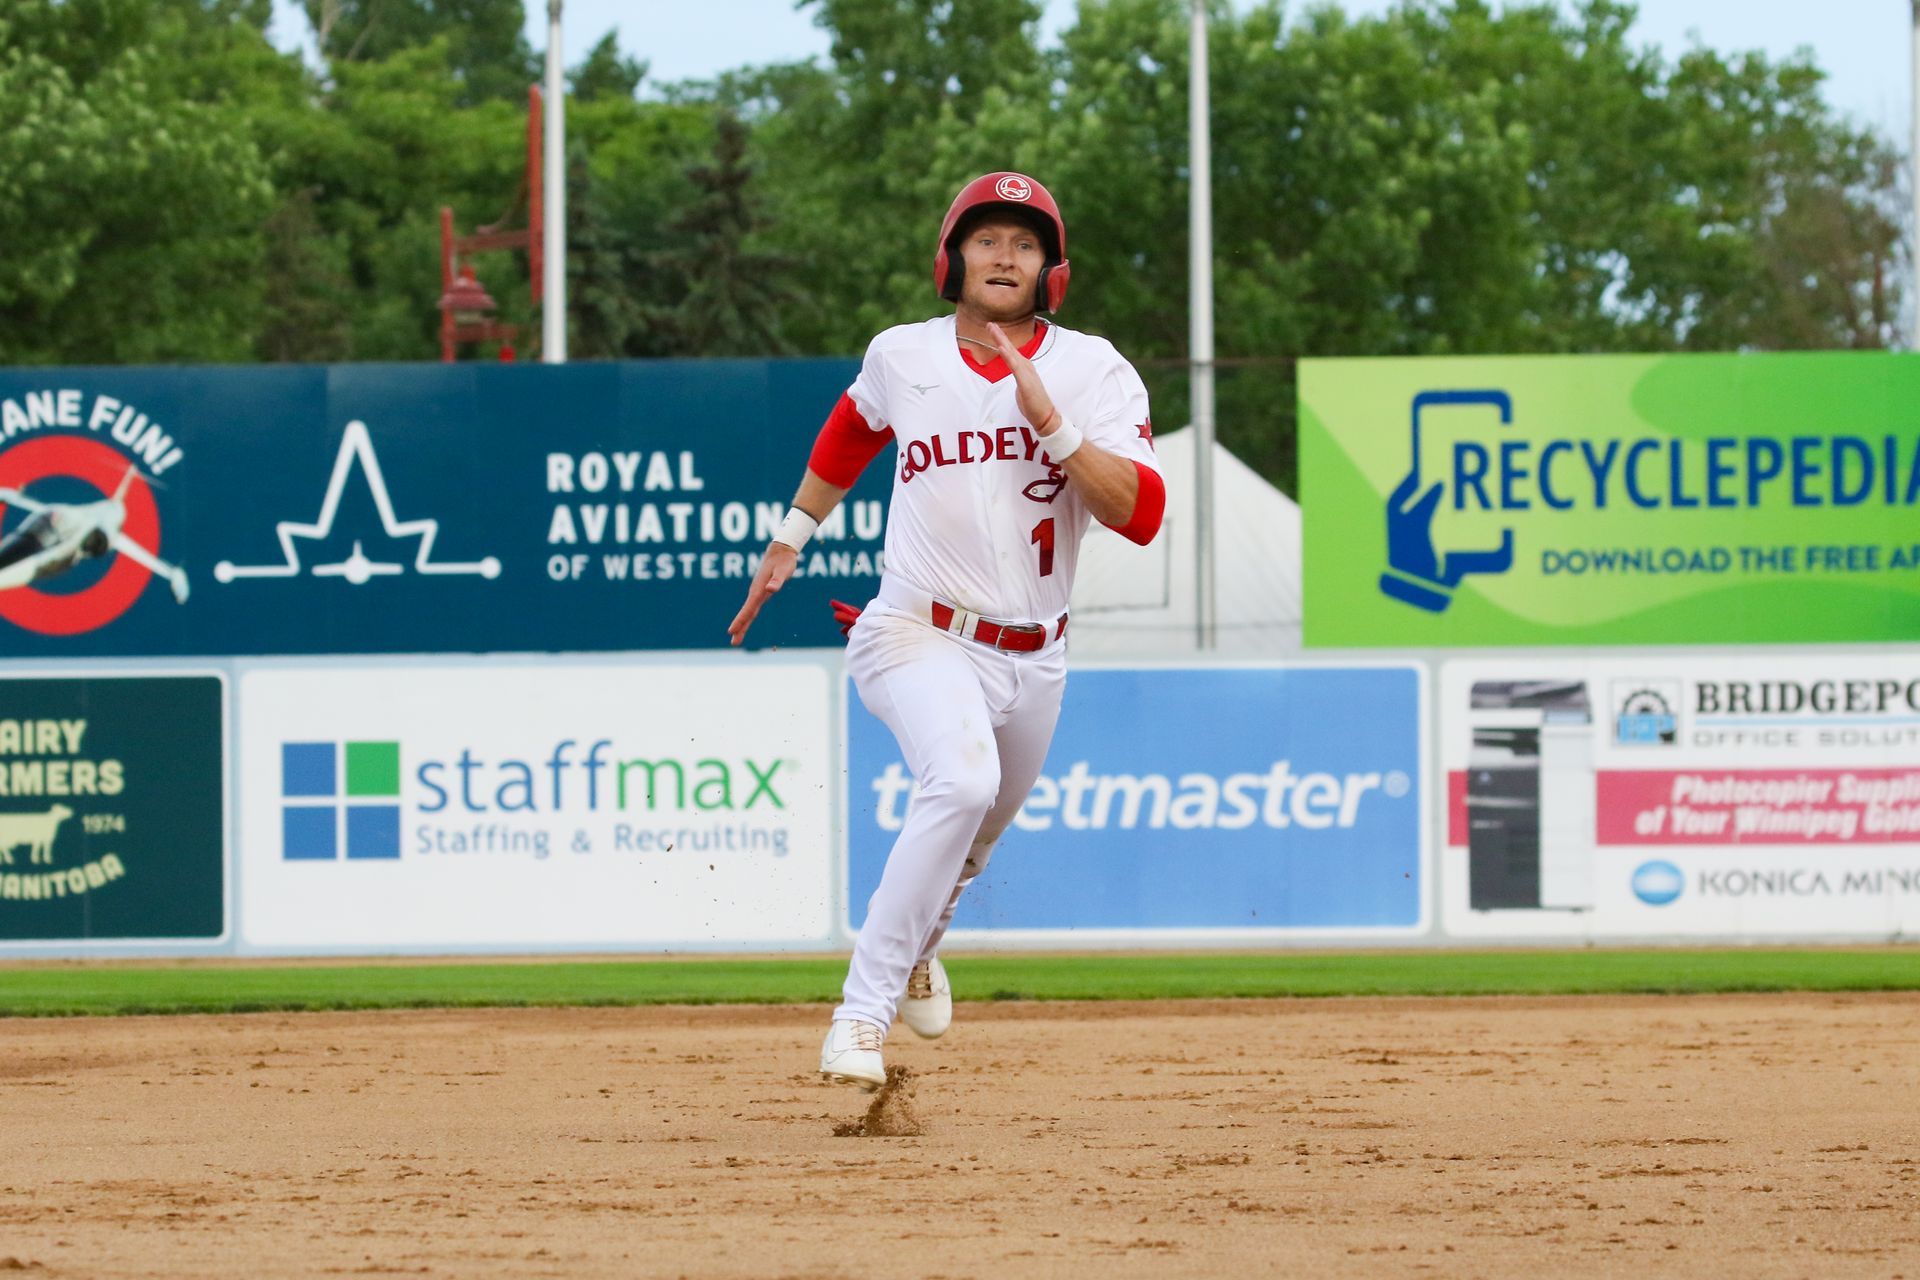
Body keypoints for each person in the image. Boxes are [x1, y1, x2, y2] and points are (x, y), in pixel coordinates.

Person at [727, 171, 1165, 1090]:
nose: (1005, 254)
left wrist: (1052, 422)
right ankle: (859, 1017)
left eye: (1025, 243)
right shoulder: (904, 354)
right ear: (952, 258)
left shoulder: (1092, 369)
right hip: (913, 628)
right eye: (987, 238)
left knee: (975, 840)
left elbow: (1141, 512)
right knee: (960, 777)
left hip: (1036, 654)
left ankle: (924, 942)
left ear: (1053, 270)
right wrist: (791, 535)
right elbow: (850, 430)